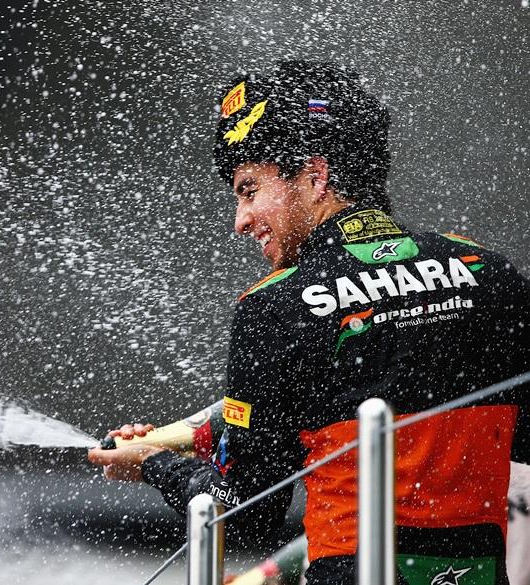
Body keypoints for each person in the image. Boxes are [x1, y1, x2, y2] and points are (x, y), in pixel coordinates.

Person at [88, 60, 530, 584]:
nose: (241, 220)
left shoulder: (275, 307)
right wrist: (209, 436)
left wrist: (155, 466)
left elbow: (241, 510)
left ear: (315, 177)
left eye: (249, 190)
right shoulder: (488, 271)